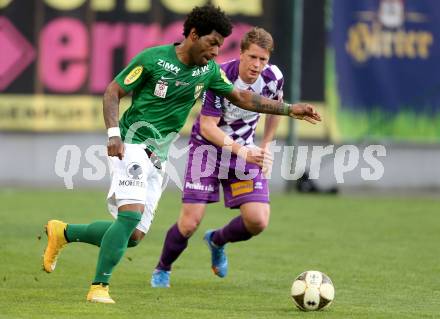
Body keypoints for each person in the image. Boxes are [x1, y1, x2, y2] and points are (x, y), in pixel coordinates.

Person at [42, 5, 321, 304]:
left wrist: (290, 109)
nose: (216, 52)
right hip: (132, 144)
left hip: (158, 157)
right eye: (212, 43)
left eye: (220, 46)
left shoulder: (208, 71)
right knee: (129, 217)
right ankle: (99, 287)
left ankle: (64, 232)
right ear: (192, 35)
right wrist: (113, 134)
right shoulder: (153, 59)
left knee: (133, 236)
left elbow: (241, 97)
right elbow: (112, 91)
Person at [150, 27, 296, 287]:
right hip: (206, 149)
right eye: (252, 57)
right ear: (241, 53)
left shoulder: (273, 77)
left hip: (244, 152)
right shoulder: (220, 76)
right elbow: (208, 127)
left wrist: (266, 146)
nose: (257, 65)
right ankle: (163, 268)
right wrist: (244, 151)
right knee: (189, 223)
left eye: (262, 59)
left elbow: (275, 110)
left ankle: (217, 240)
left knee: (258, 220)